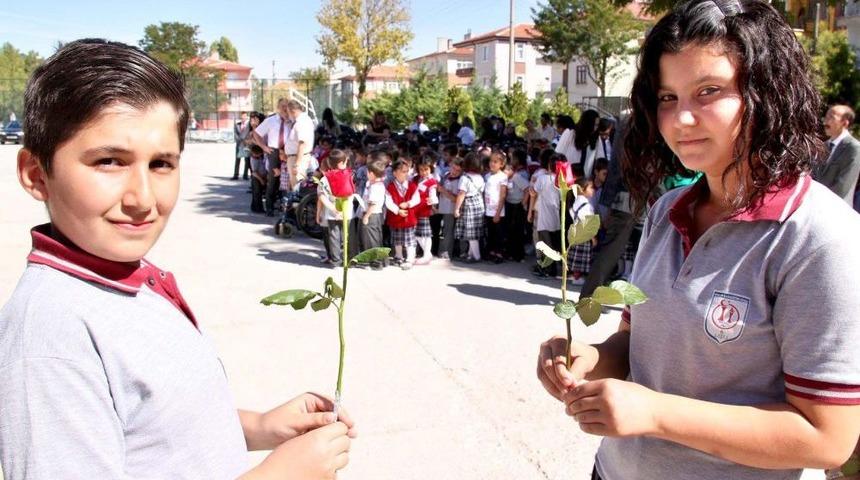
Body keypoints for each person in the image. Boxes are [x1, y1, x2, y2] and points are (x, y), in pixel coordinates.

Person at [3, 38, 355, 480]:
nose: (142, 199)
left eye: (161, 164)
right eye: (110, 161)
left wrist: (260, 427)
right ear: (37, 175)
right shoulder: (53, 335)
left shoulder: (123, 274)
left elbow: (155, 426)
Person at [537, 2, 860, 480]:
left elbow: (827, 436)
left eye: (708, 91)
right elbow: (638, 341)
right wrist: (594, 358)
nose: (681, 119)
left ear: (767, 92)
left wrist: (656, 414)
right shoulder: (669, 211)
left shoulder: (818, 235)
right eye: (667, 97)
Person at [814, 104, 860, 205]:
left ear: (845, 123)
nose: (825, 121)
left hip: (836, 210)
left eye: (831, 117)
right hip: (814, 208)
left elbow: (843, 186)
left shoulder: (854, 148)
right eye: (826, 116)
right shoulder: (823, 146)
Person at [252, 98, 291, 217]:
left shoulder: (292, 120)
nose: (285, 108)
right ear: (278, 107)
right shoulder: (271, 120)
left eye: (287, 106)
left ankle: (287, 208)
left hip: (288, 151)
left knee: (287, 180)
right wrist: (264, 147)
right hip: (273, 151)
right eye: (282, 106)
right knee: (273, 180)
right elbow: (256, 134)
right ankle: (269, 208)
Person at [529, 155, 564, 277]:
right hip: (557, 217)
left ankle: (548, 269)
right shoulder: (561, 181)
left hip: (544, 217)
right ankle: (553, 268)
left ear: (549, 166)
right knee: (554, 243)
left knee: (545, 243)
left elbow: (533, 191)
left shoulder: (543, 178)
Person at [385, 159, 421, 269]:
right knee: (397, 238)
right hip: (396, 216)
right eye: (402, 171)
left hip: (409, 217)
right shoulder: (390, 187)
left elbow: (417, 199)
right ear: (395, 173)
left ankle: (410, 258)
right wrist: (397, 210)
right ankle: (398, 256)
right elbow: (388, 201)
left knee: (410, 239)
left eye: (406, 171)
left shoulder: (412, 185)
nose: (405, 174)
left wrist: (409, 203)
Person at [454, 153, 486, 263]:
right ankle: (470, 254)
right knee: (474, 231)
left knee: (471, 233)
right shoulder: (480, 177)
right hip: (479, 204)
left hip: (469, 205)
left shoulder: (464, 178)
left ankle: (476, 256)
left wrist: (457, 209)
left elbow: (461, 194)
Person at [568, 177, 597, 285]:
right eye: (591, 187)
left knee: (576, 256)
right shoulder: (586, 205)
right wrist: (593, 238)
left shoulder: (574, 202)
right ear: (582, 189)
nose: (593, 190)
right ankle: (577, 278)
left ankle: (576, 276)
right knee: (582, 257)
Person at [360, 155, 387, 270]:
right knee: (373, 237)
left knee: (372, 239)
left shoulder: (376, 187)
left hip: (372, 214)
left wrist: (366, 216)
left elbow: (373, 204)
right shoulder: (372, 184)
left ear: (372, 173)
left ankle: (376, 263)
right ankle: (377, 261)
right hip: (373, 214)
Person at [284, 99, 315, 192]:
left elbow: (302, 144)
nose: (288, 115)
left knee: (298, 187)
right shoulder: (299, 121)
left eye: (288, 112)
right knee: (294, 186)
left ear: (292, 111)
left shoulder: (302, 122)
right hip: (294, 158)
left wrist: (297, 164)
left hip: (298, 159)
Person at [505, 149, 530, 262]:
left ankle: (518, 255)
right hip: (510, 203)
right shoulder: (514, 172)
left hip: (517, 204)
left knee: (517, 230)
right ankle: (511, 252)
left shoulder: (520, 174)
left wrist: (522, 204)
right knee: (510, 230)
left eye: (513, 158)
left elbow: (527, 189)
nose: (511, 160)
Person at [413, 154, 439, 265]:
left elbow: (434, 196)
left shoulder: (432, 181)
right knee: (416, 233)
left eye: (426, 169)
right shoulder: (415, 179)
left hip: (424, 209)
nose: (424, 172)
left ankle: (427, 254)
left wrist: (433, 201)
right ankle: (427, 254)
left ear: (431, 169)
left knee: (425, 234)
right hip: (414, 209)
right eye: (421, 170)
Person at [484, 151, 508, 263]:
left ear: (501, 164)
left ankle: (499, 253)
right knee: (491, 232)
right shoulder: (487, 176)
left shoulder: (502, 177)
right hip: (488, 209)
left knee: (499, 233)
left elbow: (502, 195)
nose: (492, 164)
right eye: (491, 161)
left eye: (495, 162)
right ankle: (491, 251)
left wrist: (498, 212)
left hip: (498, 210)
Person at [437, 156, 463, 260]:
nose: (455, 172)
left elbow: (456, 198)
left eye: (458, 170)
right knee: (445, 230)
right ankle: (444, 250)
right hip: (443, 207)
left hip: (451, 209)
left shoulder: (459, 181)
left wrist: (444, 191)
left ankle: (446, 252)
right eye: (453, 168)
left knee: (448, 231)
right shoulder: (446, 175)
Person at [249, 145, 267, 213]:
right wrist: (261, 180)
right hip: (257, 178)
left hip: (259, 177)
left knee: (257, 194)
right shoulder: (254, 160)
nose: (260, 154)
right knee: (257, 194)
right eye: (259, 153)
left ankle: (254, 207)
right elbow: (255, 172)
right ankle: (258, 208)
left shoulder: (258, 158)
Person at [233, 111, 251, 180]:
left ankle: (245, 175)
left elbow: (250, 133)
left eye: (244, 116)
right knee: (237, 160)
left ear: (246, 116)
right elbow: (235, 133)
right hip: (239, 144)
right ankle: (235, 175)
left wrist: (246, 141)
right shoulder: (237, 124)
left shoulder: (249, 125)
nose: (243, 117)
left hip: (246, 144)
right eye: (242, 116)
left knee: (247, 160)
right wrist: (239, 140)